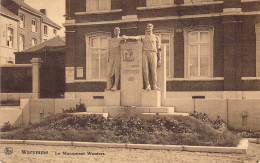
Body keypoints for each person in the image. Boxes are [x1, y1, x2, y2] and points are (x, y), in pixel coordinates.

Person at [123, 23, 161, 91]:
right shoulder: (143, 37)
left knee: (153, 70)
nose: (148, 27)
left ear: (152, 27)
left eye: (150, 26)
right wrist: (127, 37)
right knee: (145, 70)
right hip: (145, 53)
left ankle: (154, 85)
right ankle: (147, 85)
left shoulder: (156, 37)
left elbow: (159, 49)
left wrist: (159, 59)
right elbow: (135, 38)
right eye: (147, 26)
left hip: (153, 53)